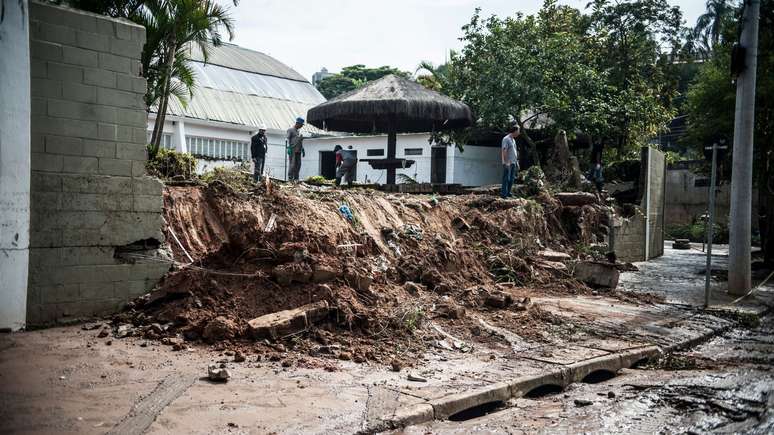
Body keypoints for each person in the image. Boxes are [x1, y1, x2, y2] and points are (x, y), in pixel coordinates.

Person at [501, 125, 520, 198]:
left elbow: (514, 151)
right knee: (506, 178)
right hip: (508, 162)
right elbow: (504, 150)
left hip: (513, 162)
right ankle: (503, 194)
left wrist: (517, 162)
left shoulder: (513, 140)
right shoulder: (506, 139)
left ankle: (508, 192)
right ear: (515, 131)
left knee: (512, 179)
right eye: (518, 131)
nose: (519, 133)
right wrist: (506, 161)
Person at [286, 117, 305, 181]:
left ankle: (296, 178)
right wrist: (288, 148)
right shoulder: (290, 130)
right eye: (301, 125)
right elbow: (287, 139)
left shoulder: (298, 132)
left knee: (298, 165)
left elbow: (300, 141)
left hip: (298, 150)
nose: (302, 126)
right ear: (297, 123)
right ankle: (290, 178)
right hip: (292, 150)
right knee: (292, 164)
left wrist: (302, 149)